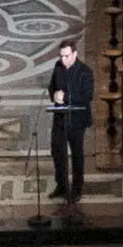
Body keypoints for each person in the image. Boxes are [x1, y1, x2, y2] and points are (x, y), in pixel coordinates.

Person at [43, 44, 94, 204]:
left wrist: (65, 97)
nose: (63, 59)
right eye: (61, 56)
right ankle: (62, 185)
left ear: (75, 54)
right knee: (58, 152)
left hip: (77, 119)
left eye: (66, 56)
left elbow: (87, 96)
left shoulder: (85, 71)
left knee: (77, 154)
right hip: (60, 117)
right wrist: (54, 95)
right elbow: (52, 86)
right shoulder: (58, 67)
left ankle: (77, 187)